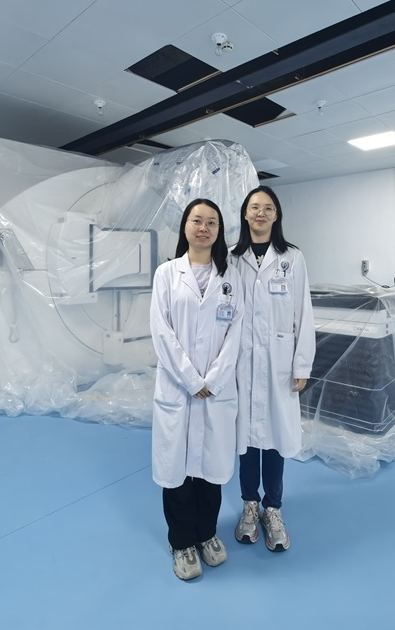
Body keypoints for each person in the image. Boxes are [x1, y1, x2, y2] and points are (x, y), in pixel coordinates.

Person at [150, 198, 243, 581]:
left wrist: (214, 379)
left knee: (211, 472)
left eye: (211, 222)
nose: (203, 228)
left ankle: (206, 534)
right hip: (179, 389)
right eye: (197, 220)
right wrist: (192, 379)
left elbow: (236, 331)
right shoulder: (167, 274)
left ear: (219, 231)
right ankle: (181, 541)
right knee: (177, 473)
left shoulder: (231, 276)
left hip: (216, 391)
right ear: (185, 226)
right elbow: (161, 332)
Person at [230, 186, 315, 552]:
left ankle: (273, 508)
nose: (260, 213)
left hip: (280, 361)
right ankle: (250, 505)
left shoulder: (292, 258)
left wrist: (302, 364)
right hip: (242, 362)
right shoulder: (232, 258)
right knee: (246, 437)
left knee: (277, 435)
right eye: (254, 207)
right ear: (245, 214)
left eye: (268, 207)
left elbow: (303, 313)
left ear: (277, 215)